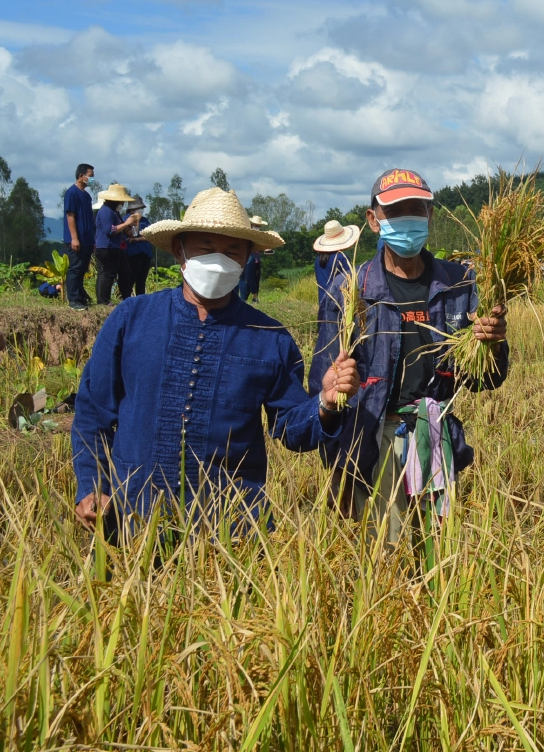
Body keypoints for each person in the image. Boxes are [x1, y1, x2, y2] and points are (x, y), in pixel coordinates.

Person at [70, 188, 359, 539]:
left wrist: (325, 403)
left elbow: (291, 430)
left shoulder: (269, 337)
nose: (219, 260)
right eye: (206, 248)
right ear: (180, 250)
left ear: (247, 257)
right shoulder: (132, 318)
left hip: (231, 530)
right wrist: (92, 485)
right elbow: (93, 412)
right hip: (133, 518)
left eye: (232, 250)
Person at [312, 168, 508, 549]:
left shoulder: (458, 283)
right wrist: (338, 465)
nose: (408, 219)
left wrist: (492, 345)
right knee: (386, 555)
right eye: (395, 211)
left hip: (434, 433)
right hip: (375, 440)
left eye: (416, 209)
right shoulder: (351, 290)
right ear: (373, 220)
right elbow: (323, 391)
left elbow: (484, 379)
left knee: (440, 552)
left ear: (430, 215)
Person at [92, 184, 141, 306]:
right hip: (106, 247)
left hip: (116, 247)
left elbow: (125, 231)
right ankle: (103, 301)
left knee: (125, 272)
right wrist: (126, 224)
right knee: (107, 274)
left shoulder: (114, 212)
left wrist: (132, 224)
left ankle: (126, 298)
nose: (123, 203)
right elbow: (110, 230)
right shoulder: (106, 211)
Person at [63, 163, 97, 310]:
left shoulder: (86, 196)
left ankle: (81, 297)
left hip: (87, 238)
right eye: (90, 176)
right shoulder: (72, 193)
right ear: (81, 176)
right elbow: (70, 216)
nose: (92, 179)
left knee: (82, 269)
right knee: (75, 268)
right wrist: (74, 238)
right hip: (77, 239)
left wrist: (93, 240)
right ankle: (73, 299)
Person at [120, 198, 154, 298]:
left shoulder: (145, 220)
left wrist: (138, 239)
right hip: (133, 253)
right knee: (131, 277)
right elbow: (133, 234)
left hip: (145, 252)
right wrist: (136, 221)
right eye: (139, 208)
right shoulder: (126, 219)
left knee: (141, 279)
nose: (141, 211)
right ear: (132, 210)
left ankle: (141, 299)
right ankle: (127, 298)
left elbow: (150, 235)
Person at [238, 216, 266, 303]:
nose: (257, 227)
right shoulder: (248, 234)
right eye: (255, 225)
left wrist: (264, 249)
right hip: (249, 258)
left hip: (257, 259)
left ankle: (252, 297)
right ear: (252, 225)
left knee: (255, 279)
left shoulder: (260, 236)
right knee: (248, 278)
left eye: (258, 226)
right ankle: (248, 298)